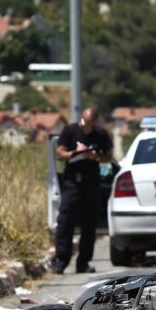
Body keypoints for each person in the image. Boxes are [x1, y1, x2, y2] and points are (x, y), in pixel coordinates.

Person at [51, 108, 113, 274]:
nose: (86, 126)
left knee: (89, 223)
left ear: (95, 122)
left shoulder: (100, 134)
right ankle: (61, 260)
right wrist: (75, 153)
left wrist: (95, 156)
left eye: (90, 123)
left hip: (91, 182)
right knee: (65, 221)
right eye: (84, 122)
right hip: (72, 181)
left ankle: (83, 262)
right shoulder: (70, 131)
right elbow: (60, 153)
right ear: (81, 118)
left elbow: (108, 156)